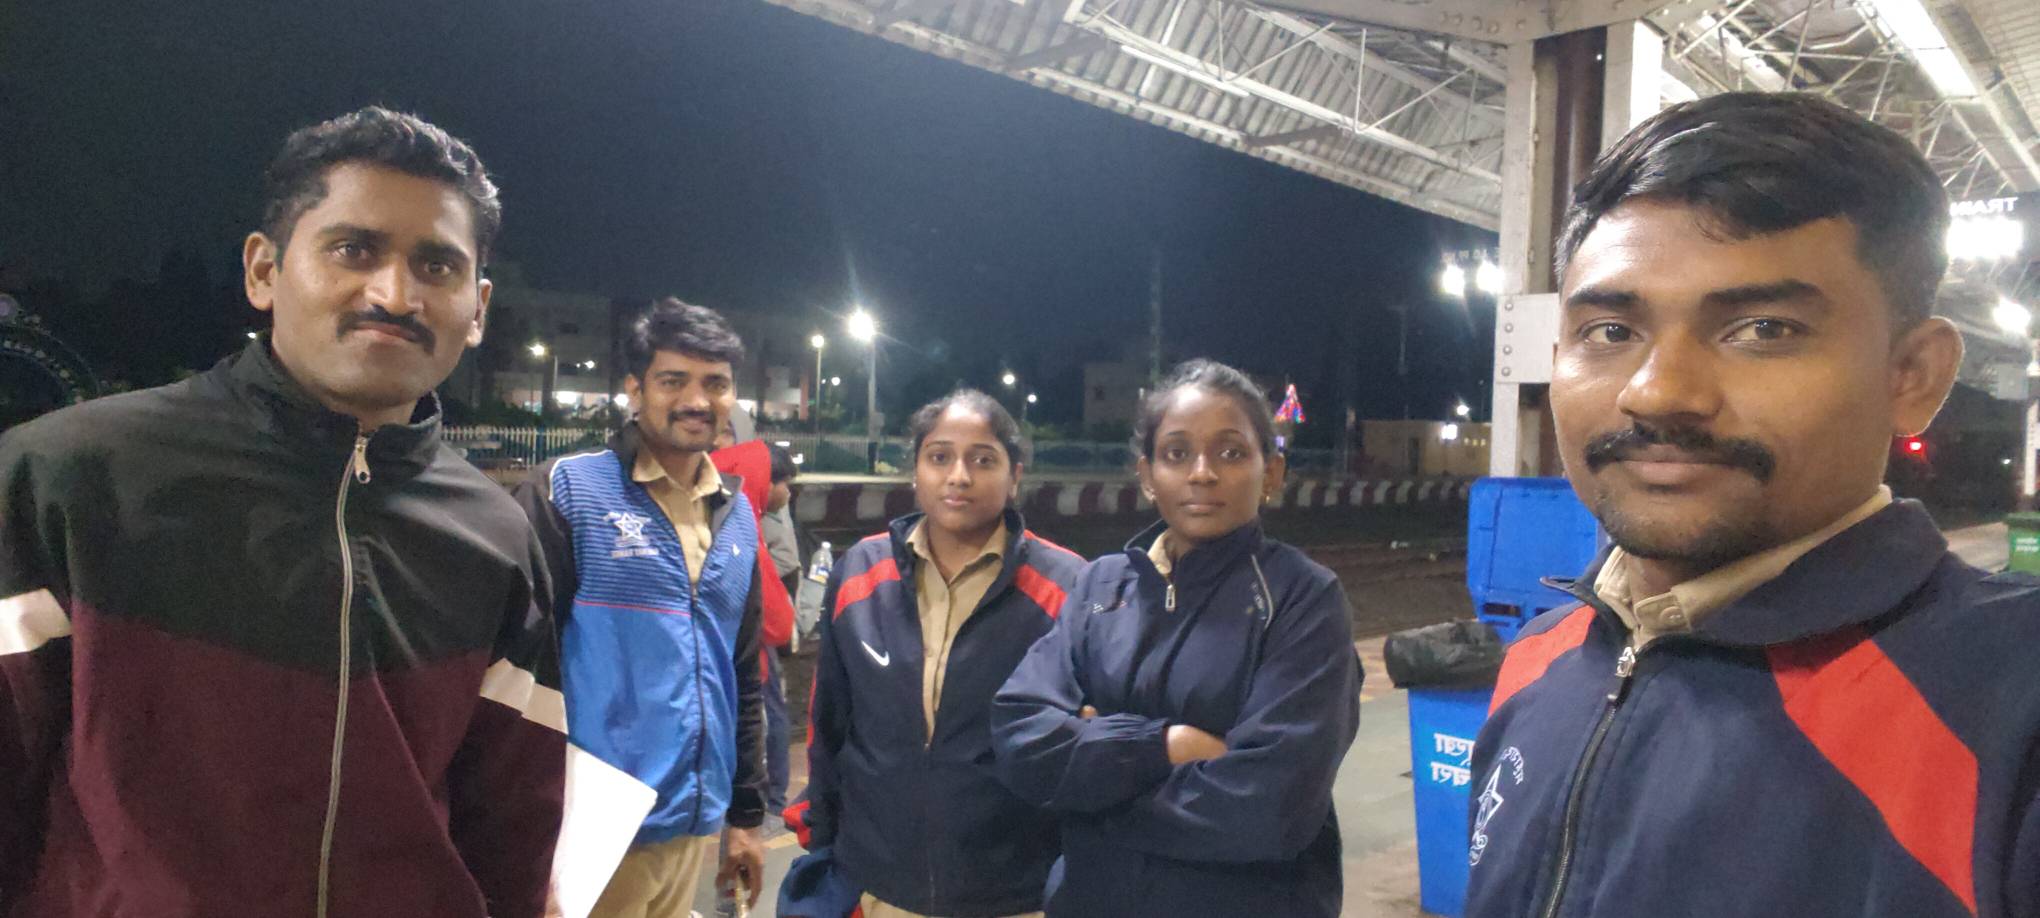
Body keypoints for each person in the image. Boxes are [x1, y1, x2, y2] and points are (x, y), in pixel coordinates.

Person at [1465, 92, 2040, 918]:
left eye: (1763, 329)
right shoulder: (1538, 660)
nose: (1657, 392)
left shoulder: (2012, 709)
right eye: (1611, 332)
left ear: (1912, 375)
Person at [0, 107, 565, 916]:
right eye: (353, 249)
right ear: (264, 271)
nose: (394, 294)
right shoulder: (71, 477)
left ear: (477, 309)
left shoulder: (497, 536)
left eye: (436, 265)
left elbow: (512, 827)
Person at [991, 360, 1361, 917]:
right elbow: (1020, 739)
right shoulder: (1101, 586)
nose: (1202, 473)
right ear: (1147, 474)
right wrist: (1164, 745)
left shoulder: (1302, 599)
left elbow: (1269, 808)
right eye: (1177, 452)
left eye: (1231, 452)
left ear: (1272, 472)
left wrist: (1088, 787)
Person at [784, 390, 1085, 918]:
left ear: (1015, 476)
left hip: (1014, 894)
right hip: (878, 887)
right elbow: (829, 722)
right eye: (940, 457)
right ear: (916, 472)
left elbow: (1082, 748)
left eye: (983, 460)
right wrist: (824, 843)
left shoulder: (1068, 587)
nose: (958, 476)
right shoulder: (861, 573)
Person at [513, 299, 767, 917]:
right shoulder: (569, 491)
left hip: (692, 824)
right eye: (673, 380)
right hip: (592, 827)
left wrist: (744, 816)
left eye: (715, 383)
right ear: (635, 389)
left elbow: (742, 674)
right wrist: (525, 830)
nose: (697, 401)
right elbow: (515, 673)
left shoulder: (737, 516)